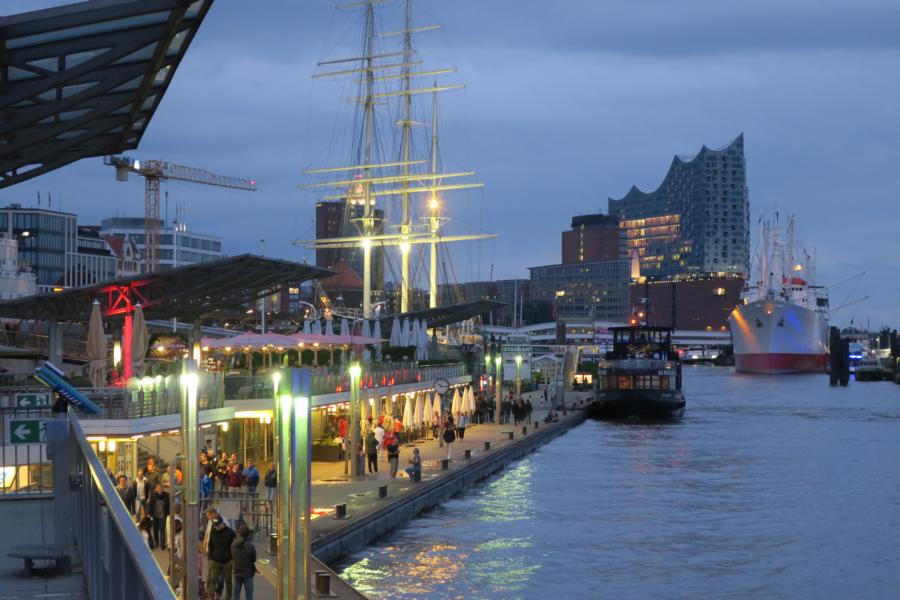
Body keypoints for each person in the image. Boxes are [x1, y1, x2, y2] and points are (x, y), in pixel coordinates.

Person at [206, 516, 236, 600]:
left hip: (227, 562)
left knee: (228, 581)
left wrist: (232, 559)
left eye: (217, 525)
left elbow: (234, 547)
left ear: (222, 524)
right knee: (212, 580)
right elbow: (210, 545)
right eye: (215, 525)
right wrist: (210, 558)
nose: (216, 527)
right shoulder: (213, 531)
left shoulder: (230, 533)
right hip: (215, 561)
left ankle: (228, 597)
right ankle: (210, 596)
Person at [232, 525, 257, 600]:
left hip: (237, 571)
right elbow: (254, 559)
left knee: (236, 594)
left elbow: (232, 556)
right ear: (248, 534)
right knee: (249, 595)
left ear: (239, 533)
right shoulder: (250, 546)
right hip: (248, 573)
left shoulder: (233, 545)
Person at [147, 483, 170, 550]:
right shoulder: (153, 496)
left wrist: (169, 512)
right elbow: (150, 505)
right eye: (158, 488)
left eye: (161, 488)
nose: (159, 489)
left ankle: (162, 544)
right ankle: (156, 542)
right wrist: (149, 513)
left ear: (163, 489)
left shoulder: (166, 495)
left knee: (162, 529)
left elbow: (169, 504)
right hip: (155, 515)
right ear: (156, 489)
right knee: (155, 529)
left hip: (163, 515)